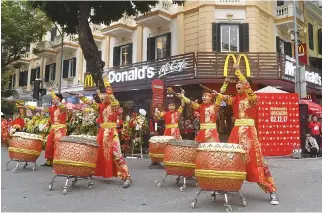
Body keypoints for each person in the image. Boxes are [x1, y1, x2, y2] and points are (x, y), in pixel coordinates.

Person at [217, 64, 279, 205]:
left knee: (256, 163)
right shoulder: (235, 99)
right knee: (230, 159)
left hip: (249, 134)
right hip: (235, 133)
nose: (238, 85)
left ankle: (272, 190)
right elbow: (223, 98)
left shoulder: (253, 98)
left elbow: (247, 86)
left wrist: (238, 71)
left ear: (247, 85)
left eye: (240, 83)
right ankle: (225, 185)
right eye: (237, 83)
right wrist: (223, 87)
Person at [78, 74, 132, 188]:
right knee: (96, 153)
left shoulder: (114, 105)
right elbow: (91, 103)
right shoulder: (100, 107)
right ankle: (90, 172)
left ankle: (126, 176)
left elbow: (111, 95)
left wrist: (106, 81)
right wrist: (82, 97)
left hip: (112, 133)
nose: (102, 96)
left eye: (104, 94)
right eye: (100, 94)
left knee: (117, 154)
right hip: (102, 133)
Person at [26, 88, 67, 167]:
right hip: (53, 129)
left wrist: (51, 91)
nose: (53, 100)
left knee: (58, 145)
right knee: (49, 145)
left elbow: (58, 103)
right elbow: (40, 108)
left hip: (60, 130)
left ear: (59, 100)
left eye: (55, 99)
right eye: (53, 99)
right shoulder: (51, 108)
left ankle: (58, 161)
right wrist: (30, 106)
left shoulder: (63, 107)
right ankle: (49, 161)